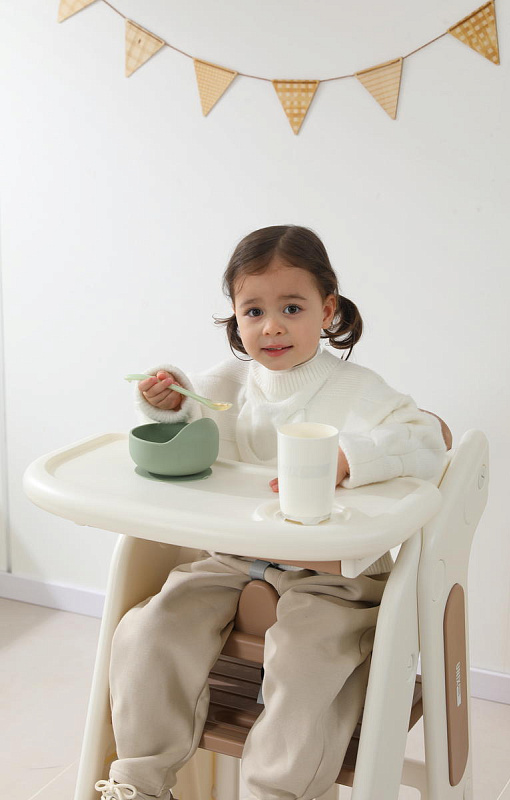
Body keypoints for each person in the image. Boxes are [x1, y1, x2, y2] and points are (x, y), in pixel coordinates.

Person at [96, 225, 447, 800]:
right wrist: (170, 404)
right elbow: (186, 435)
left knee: (308, 661)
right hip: (230, 561)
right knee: (148, 632)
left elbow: (430, 440)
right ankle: (140, 780)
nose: (272, 326)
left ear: (327, 311)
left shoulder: (358, 391)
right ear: (236, 319)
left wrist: (350, 459)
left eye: (292, 308)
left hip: (332, 576)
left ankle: (278, 793)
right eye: (254, 311)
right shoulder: (224, 385)